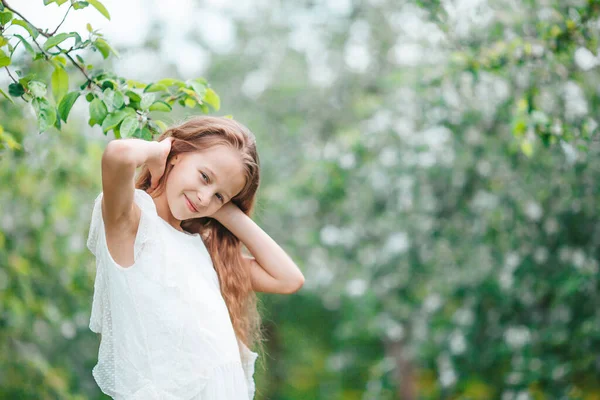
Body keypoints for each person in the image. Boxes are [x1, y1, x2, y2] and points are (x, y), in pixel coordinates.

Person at [86, 116, 305, 399]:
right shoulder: (133, 224)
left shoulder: (203, 249)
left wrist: (225, 211)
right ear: (177, 154)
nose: (203, 198)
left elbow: (288, 278)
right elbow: (119, 154)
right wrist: (158, 152)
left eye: (218, 196)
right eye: (204, 177)